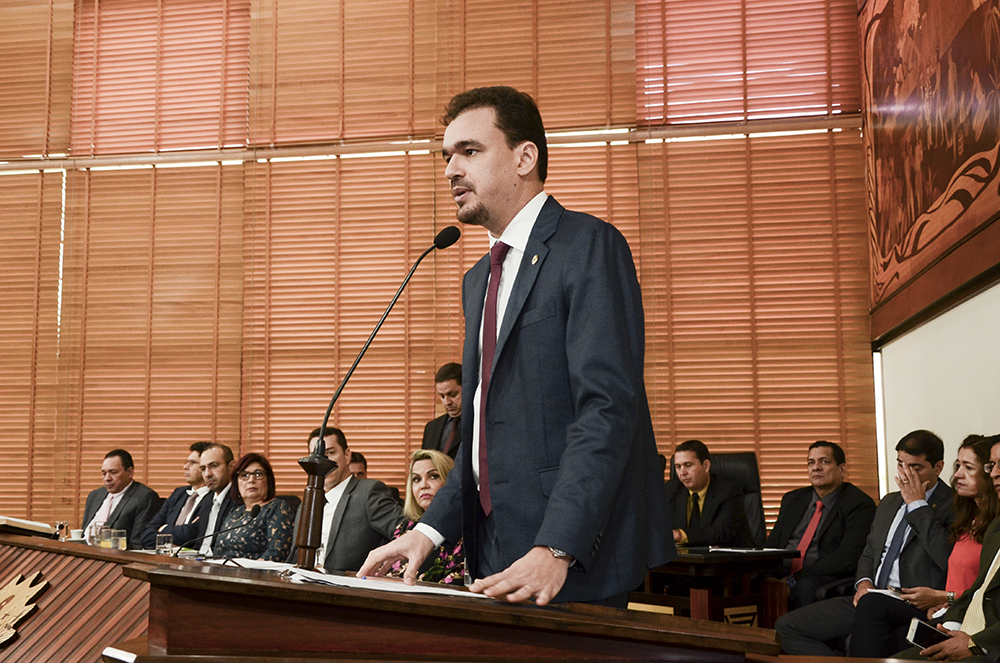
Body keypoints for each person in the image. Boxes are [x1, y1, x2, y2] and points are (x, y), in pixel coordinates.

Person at [359, 86, 674, 607]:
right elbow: (484, 434)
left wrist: (557, 546)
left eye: (469, 151)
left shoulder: (588, 246)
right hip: (492, 551)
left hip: (568, 559)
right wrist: (428, 532)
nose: (450, 170)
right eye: (446, 156)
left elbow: (608, 409)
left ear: (524, 158)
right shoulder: (478, 278)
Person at [774, 430, 956, 655]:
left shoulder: (955, 505)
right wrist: (863, 583)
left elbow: (947, 558)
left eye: (915, 468)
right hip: (872, 597)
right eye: (901, 465)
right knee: (786, 628)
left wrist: (918, 506)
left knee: (860, 636)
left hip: (916, 603)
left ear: (938, 468)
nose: (906, 475)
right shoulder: (889, 502)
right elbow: (869, 552)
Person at [850, 435, 996, 658]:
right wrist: (863, 583)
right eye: (958, 466)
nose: (957, 475)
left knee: (878, 617)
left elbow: (957, 570)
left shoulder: (957, 509)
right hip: (929, 606)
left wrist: (943, 598)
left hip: (951, 612)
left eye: (968, 467)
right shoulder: (969, 517)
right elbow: (869, 552)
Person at [766, 441, 877, 609]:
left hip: (822, 575)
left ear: (842, 469)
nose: (816, 468)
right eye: (811, 462)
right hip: (783, 572)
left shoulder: (859, 504)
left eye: (824, 462)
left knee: (804, 587)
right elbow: (773, 544)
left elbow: (847, 558)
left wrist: (794, 578)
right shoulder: (792, 499)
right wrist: (766, 574)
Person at [286, 427, 404, 573]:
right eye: (316, 455)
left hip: (349, 584)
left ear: (347, 455)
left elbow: (406, 534)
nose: (322, 461)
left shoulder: (368, 492)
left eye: (330, 453)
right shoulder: (307, 503)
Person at [386, 449, 464, 584]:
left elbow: (455, 585)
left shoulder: (463, 531)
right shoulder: (405, 527)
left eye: (433, 476)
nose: (423, 485)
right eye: (416, 479)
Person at [664, 439, 754, 548]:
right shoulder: (671, 490)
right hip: (685, 557)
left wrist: (680, 535)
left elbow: (720, 533)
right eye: (678, 466)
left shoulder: (729, 492)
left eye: (688, 465)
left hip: (725, 557)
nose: (682, 472)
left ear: (706, 466)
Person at [212, 453, 294, 562]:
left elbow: (276, 553)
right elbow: (218, 551)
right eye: (244, 475)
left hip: (255, 571)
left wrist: (250, 569)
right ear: (237, 483)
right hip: (223, 569)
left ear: (268, 480)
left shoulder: (277, 507)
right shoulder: (236, 511)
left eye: (258, 474)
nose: (251, 480)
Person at [139, 441, 213, 549]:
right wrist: (172, 545)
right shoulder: (178, 494)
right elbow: (146, 535)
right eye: (186, 462)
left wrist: (163, 529)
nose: (185, 467)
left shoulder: (214, 497)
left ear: (205, 467)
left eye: (192, 462)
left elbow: (191, 534)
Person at [81, 449, 160, 549]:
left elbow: (137, 544)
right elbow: (82, 534)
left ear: (130, 472)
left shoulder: (144, 497)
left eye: (113, 472)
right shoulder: (95, 496)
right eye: (104, 473)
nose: (107, 478)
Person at [187, 443, 238, 554]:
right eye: (203, 468)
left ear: (231, 467)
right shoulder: (207, 500)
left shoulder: (239, 499)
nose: (207, 474)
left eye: (214, 466)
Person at [421, 362, 463, 459]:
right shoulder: (431, 427)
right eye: (442, 396)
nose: (446, 402)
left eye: (452, 395)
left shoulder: (478, 424)